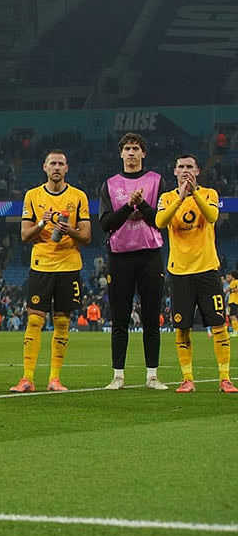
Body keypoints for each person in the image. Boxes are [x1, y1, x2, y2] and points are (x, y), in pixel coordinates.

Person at [10, 149, 91, 393]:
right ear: (44, 167)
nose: (56, 167)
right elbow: (25, 235)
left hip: (69, 265)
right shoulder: (33, 196)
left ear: (67, 168)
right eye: (52, 163)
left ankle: (55, 379)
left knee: (62, 321)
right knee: (35, 320)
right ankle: (27, 378)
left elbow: (87, 235)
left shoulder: (78, 196)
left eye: (61, 164)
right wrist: (43, 223)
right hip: (41, 265)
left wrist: (70, 231)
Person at [155, 154, 236, 393]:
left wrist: (193, 193)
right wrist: (180, 197)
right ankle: (187, 378)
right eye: (181, 167)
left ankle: (225, 378)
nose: (185, 170)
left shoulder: (210, 194)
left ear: (198, 171)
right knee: (183, 327)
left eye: (189, 167)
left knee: (219, 324)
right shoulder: (167, 198)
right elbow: (160, 221)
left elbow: (211, 217)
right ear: (174, 171)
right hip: (180, 272)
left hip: (207, 270)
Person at [98, 132, 170, 390]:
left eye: (135, 148)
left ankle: (152, 375)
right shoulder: (110, 185)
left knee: (151, 318)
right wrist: (129, 206)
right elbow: (106, 224)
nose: (131, 153)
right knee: (120, 319)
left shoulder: (156, 181)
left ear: (143, 153)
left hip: (150, 255)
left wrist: (142, 206)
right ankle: (118, 375)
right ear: (120, 153)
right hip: (119, 256)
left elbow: (162, 221)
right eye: (127, 148)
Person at [226, 271, 238, 337]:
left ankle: (236, 331)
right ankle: (235, 330)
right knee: (233, 316)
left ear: (233, 276)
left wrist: (224, 291)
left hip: (233, 301)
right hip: (235, 301)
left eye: (230, 275)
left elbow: (228, 289)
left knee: (232, 316)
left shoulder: (234, 282)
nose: (229, 277)